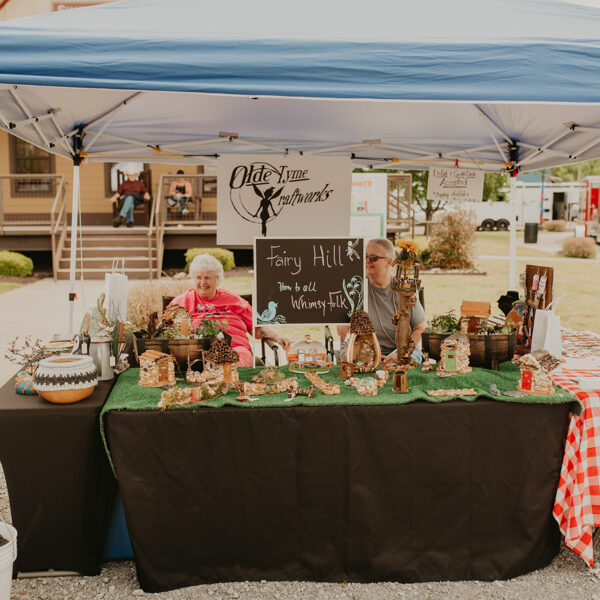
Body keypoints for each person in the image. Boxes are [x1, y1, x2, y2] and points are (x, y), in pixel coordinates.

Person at [169, 253, 290, 366]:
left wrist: (277, 337)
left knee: (236, 364)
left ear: (217, 279)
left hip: (236, 349)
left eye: (207, 278)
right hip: (197, 352)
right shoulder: (182, 301)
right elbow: (166, 330)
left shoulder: (234, 300)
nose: (202, 282)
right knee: (200, 365)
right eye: (198, 278)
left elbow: (257, 328)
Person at [337, 238, 427, 365]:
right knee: (358, 364)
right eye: (365, 257)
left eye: (373, 258)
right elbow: (342, 329)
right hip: (360, 349)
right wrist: (368, 353)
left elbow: (419, 328)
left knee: (409, 361)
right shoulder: (354, 286)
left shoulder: (404, 288)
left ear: (389, 261)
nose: (367, 261)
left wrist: (400, 353)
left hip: (399, 349)